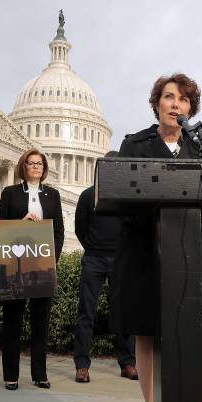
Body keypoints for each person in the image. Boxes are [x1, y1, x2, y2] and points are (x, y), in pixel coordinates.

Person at [115, 73, 202, 402]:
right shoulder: (134, 145)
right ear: (157, 104)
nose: (176, 104)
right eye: (169, 97)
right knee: (148, 332)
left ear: (190, 108)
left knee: (191, 332)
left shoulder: (199, 147)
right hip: (145, 254)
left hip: (187, 257)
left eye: (184, 99)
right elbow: (119, 199)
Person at [0, 148, 64, 391]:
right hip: (15, 264)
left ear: (44, 168)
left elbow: (58, 231)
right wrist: (20, 223)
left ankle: (40, 374)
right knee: (12, 320)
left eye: (40, 164)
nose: (36, 167)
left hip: (41, 265)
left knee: (40, 322)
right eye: (31, 163)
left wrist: (52, 259)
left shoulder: (52, 195)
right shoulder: (11, 193)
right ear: (23, 167)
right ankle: (10, 375)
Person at [73, 150, 137, 383]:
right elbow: (81, 228)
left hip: (121, 259)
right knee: (86, 313)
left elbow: (133, 230)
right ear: (101, 169)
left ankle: (128, 362)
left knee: (125, 313)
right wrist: (93, 247)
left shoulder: (128, 197)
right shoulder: (88, 195)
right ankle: (82, 365)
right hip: (94, 259)